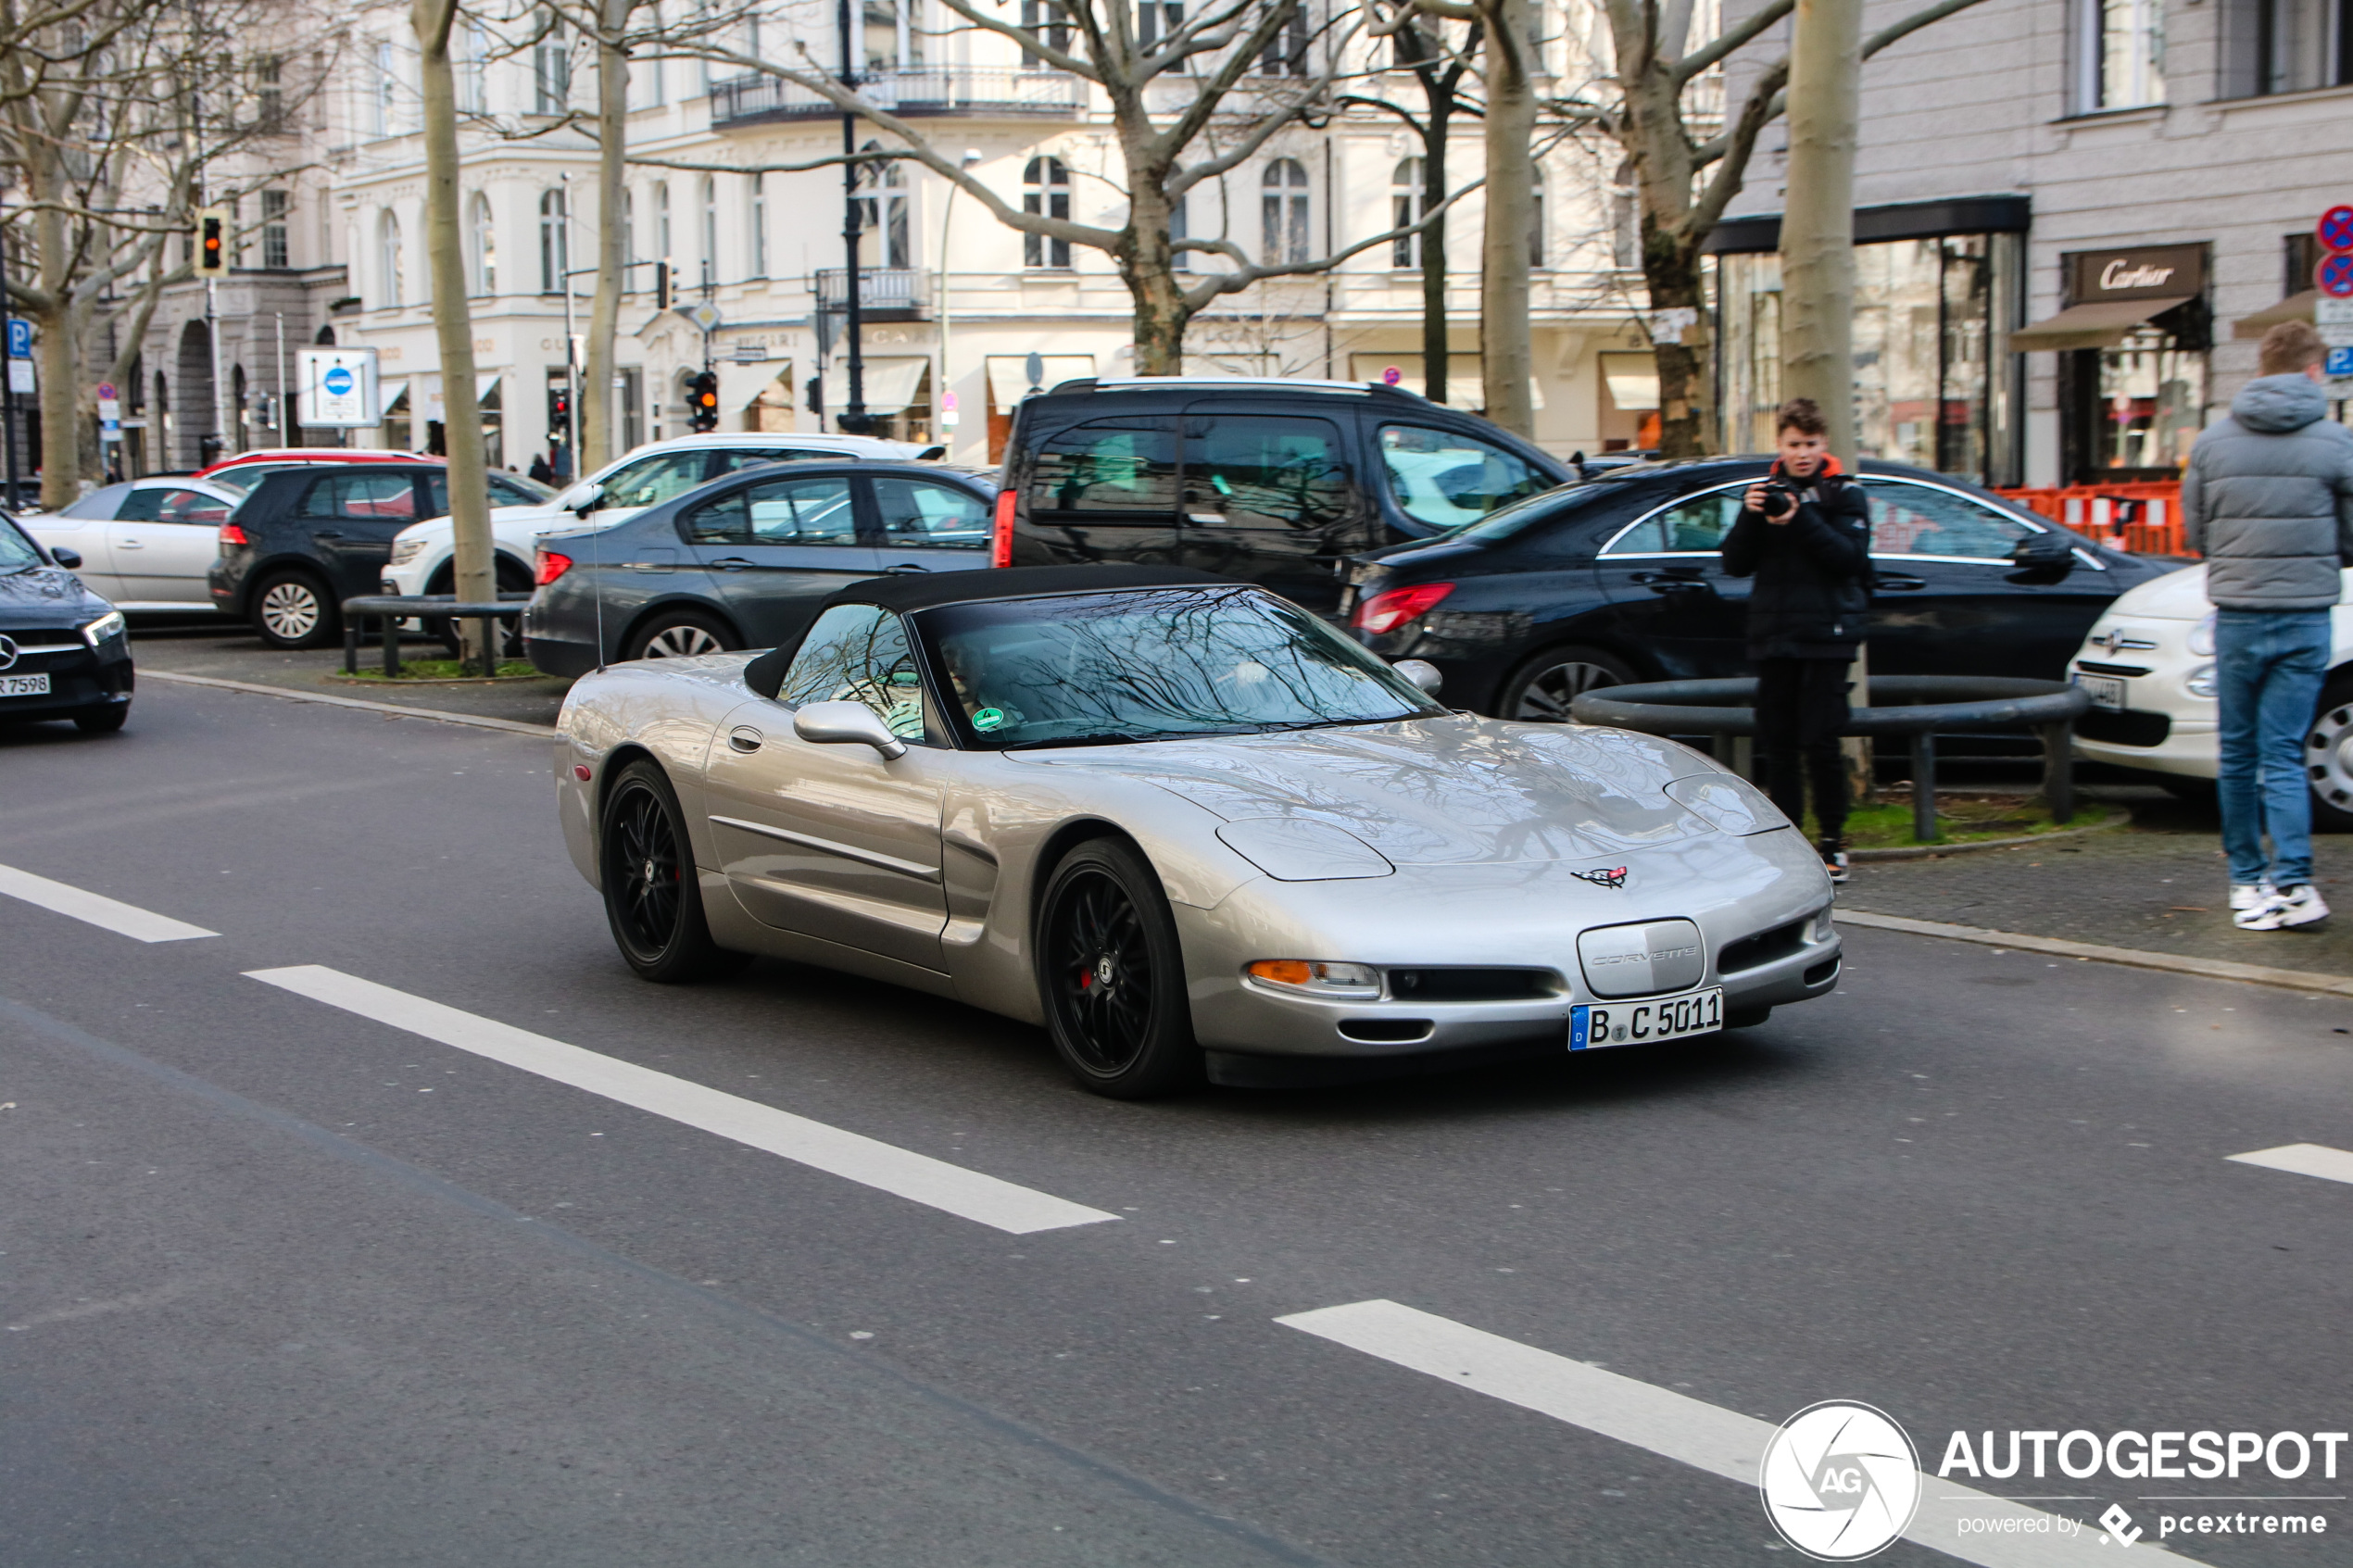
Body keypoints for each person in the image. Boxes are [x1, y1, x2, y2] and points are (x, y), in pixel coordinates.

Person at [2183, 320, 2353, 931]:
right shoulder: (2337, 441)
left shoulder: (2212, 443)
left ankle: (2245, 882)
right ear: (2313, 371)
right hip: (2305, 614)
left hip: (2237, 615)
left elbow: (2197, 532)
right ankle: (2296, 885)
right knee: (2283, 752)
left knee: (2236, 754)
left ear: (2261, 368)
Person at [1721, 396, 1875, 883]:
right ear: (1780, 445)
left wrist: (1799, 517)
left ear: (1823, 444)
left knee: (1821, 740)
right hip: (1776, 635)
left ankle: (1833, 842)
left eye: (1810, 444)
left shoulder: (1844, 495)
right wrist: (1750, 516)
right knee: (1779, 742)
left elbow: (1848, 558)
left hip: (1827, 636)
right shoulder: (1766, 493)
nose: (1802, 453)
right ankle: (1792, 840)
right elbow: (1734, 563)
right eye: (1793, 444)